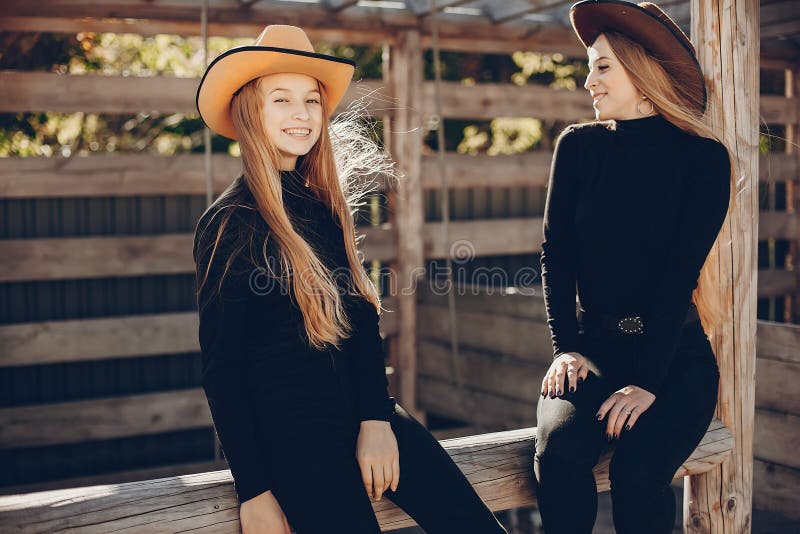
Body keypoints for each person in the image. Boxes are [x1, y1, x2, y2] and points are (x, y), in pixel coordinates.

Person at [193, 25, 508, 534]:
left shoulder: (323, 207)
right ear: (249, 110)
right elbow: (223, 370)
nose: (301, 114)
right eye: (282, 99)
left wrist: (378, 419)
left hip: (362, 413)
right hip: (293, 442)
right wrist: (253, 490)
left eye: (312, 100)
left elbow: (360, 320)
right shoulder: (230, 223)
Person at [532, 2, 735, 533]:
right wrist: (566, 347)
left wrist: (647, 382)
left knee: (639, 472)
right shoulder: (577, 148)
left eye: (602, 67)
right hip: (593, 355)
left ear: (643, 76)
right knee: (557, 454)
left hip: (675, 362)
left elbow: (676, 278)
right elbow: (557, 254)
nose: (587, 81)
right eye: (589, 66)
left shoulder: (704, 160)